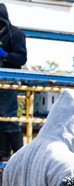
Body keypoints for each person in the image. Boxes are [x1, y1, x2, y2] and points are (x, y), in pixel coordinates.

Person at [0, 3, 27, 161]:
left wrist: (6, 55)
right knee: (1, 120)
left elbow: (22, 58)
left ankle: (20, 155)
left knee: (8, 118)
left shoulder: (16, 34)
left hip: (9, 82)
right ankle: (3, 154)